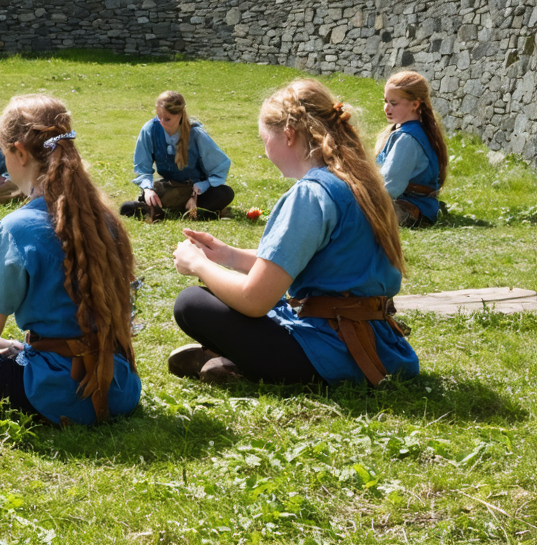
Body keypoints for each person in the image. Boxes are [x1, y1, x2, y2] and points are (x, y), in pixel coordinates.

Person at [0, 94, 141, 426]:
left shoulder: (16, 228)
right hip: (119, 386)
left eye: (4, 152)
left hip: (57, 393)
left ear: (19, 152)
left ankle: (22, 356)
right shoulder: (105, 218)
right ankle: (26, 349)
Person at [169, 79, 417, 386]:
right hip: (379, 345)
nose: (264, 150)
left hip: (333, 351)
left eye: (264, 139)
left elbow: (255, 299)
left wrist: (198, 265)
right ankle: (232, 361)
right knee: (254, 302)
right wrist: (226, 255)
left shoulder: (311, 194)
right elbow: (303, 263)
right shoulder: (361, 183)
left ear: (288, 134)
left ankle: (241, 362)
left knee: (192, 303)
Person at [121, 91, 234, 221]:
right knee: (127, 207)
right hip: (170, 187)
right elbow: (142, 167)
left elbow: (219, 167)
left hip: (196, 189)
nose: (162, 122)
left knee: (225, 193)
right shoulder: (150, 129)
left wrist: (197, 191)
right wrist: (147, 189)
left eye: (167, 119)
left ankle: (189, 209)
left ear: (180, 115)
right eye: (159, 117)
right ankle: (169, 209)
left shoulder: (196, 133)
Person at [375, 71, 447, 228]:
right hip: (420, 207)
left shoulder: (407, 139)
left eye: (394, 103)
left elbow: (389, 186)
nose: (387, 108)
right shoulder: (415, 131)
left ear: (415, 105)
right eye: (386, 101)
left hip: (411, 209)